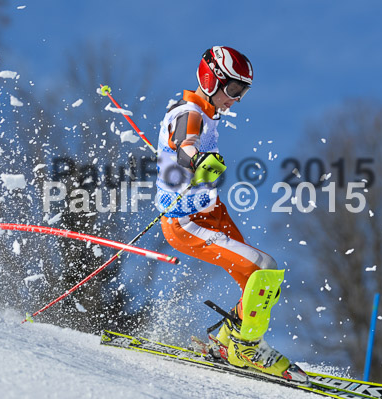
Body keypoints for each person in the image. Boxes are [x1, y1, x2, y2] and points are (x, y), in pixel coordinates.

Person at [155, 46, 307, 383]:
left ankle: (227, 341)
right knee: (263, 268)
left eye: (243, 92)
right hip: (185, 221)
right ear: (211, 78)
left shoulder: (206, 113)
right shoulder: (190, 110)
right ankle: (244, 348)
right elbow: (185, 142)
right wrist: (196, 159)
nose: (237, 99)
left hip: (211, 213)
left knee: (260, 285)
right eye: (234, 89)